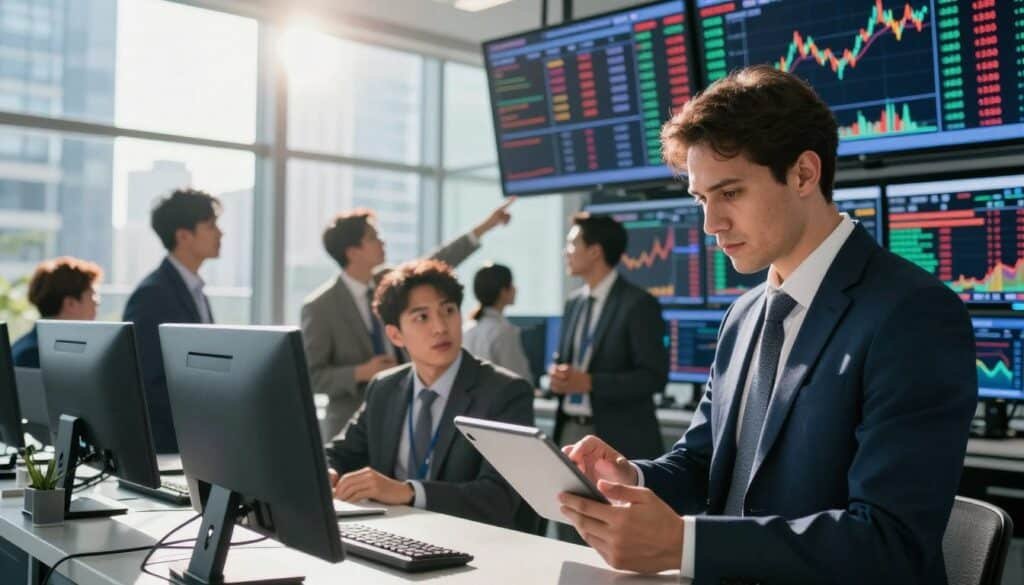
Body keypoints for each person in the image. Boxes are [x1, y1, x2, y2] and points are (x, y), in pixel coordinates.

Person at [557, 65, 977, 584]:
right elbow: (703, 465)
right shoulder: (744, 315)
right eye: (702, 199)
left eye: (730, 193)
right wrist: (630, 477)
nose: (711, 224)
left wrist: (685, 544)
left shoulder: (911, 314)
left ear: (803, 174)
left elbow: (890, 542)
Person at [324, 259, 534, 530]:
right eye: (422, 317)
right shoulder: (384, 388)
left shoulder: (505, 392)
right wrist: (328, 473)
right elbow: (337, 454)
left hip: (470, 543)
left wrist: (409, 492)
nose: (440, 327)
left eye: (448, 310)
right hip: (393, 534)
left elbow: (499, 497)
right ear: (396, 335)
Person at [302, 199, 516, 440]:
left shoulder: (389, 281)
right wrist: (361, 372)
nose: (382, 241)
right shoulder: (320, 307)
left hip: (404, 418)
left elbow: (438, 260)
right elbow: (311, 376)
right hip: (351, 426)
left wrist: (485, 226)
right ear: (353, 252)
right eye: (373, 237)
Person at [549, 213, 668, 461]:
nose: (565, 252)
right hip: (569, 430)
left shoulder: (638, 304)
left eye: (572, 244)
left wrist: (590, 382)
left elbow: (653, 377)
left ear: (595, 251)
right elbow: (569, 361)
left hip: (618, 440)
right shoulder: (573, 303)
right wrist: (558, 377)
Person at [123, 188, 222, 454]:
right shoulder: (152, 295)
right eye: (211, 226)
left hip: (196, 441)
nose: (220, 233)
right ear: (183, 236)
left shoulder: (195, 291)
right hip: (167, 446)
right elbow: (148, 381)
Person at [12, 257, 103, 368]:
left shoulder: (29, 347)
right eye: (93, 295)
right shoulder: (34, 355)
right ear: (70, 304)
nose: (97, 302)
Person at [462, 262, 531, 381]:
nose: (515, 289)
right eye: (511, 285)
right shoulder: (504, 331)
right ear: (503, 291)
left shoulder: (466, 329)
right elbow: (518, 377)